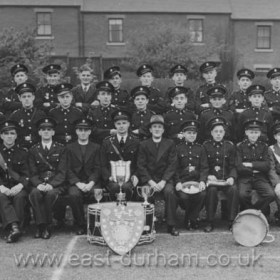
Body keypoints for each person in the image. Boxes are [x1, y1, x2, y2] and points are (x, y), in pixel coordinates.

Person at [137, 115, 179, 236]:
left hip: (164, 179)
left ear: (163, 130)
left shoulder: (170, 143)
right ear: (150, 130)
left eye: (159, 127)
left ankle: (171, 225)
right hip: (149, 179)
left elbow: (172, 164)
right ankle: (148, 224)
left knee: (170, 193)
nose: (157, 129)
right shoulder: (143, 144)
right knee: (146, 192)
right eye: (154, 127)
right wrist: (150, 182)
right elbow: (141, 166)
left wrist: (163, 181)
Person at [29, 118, 67, 239]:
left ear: (53, 132)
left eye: (49, 130)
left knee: (50, 194)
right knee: (35, 193)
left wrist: (52, 184)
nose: (46, 132)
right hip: (39, 183)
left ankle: (48, 226)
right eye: (43, 130)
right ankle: (41, 225)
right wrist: (38, 184)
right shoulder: (33, 150)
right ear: (39, 132)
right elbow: (32, 172)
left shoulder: (61, 149)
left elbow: (62, 172)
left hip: (56, 184)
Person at [203, 117, 239, 232]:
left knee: (233, 189)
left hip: (226, 179)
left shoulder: (230, 146)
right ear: (211, 133)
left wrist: (232, 177)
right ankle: (210, 221)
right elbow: (203, 165)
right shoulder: (205, 145)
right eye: (216, 131)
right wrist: (208, 175)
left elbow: (233, 165)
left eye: (221, 131)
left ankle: (231, 221)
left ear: (224, 132)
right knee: (212, 191)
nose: (218, 134)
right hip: (212, 180)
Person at [66, 118, 101, 235]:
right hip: (77, 182)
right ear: (76, 131)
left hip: (92, 181)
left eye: (86, 130)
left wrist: (91, 182)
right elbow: (67, 168)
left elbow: (98, 168)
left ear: (90, 132)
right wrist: (77, 183)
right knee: (74, 194)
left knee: (96, 192)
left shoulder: (96, 147)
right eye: (80, 130)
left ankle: (95, 224)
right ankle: (80, 224)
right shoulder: (69, 148)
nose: (83, 132)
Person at [236, 119, 275, 216]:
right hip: (245, 178)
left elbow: (266, 166)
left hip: (260, 177)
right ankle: (251, 213)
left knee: (270, 194)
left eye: (256, 132)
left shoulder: (264, 147)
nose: (253, 135)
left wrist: (250, 164)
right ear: (246, 132)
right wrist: (257, 167)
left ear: (260, 133)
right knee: (242, 195)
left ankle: (251, 212)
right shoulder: (240, 146)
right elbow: (239, 167)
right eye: (251, 132)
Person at [0, 120, 29, 243]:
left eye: (12, 133)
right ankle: (15, 228)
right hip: (3, 187)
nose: (9, 136)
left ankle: (15, 228)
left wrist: (20, 185)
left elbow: (27, 174)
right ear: (1, 136)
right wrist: (1, 187)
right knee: (1, 197)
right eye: (6, 133)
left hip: (18, 187)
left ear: (16, 136)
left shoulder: (23, 153)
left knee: (20, 197)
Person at [175, 120, 208, 230]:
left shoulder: (201, 148)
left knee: (202, 195)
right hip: (183, 181)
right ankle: (191, 218)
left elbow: (204, 167)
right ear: (183, 134)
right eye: (189, 133)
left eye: (194, 133)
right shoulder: (178, 148)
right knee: (184, 197)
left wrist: (203, 180)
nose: (191, 135)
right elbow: (174, 168)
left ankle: (191, 219)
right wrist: (178, 182)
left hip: (197, 181)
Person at [100, 110, 140, 200]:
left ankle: (128, 211)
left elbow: (139, 163)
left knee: (126, 188)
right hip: (112, 177)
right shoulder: (107, 142)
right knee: (115, 187)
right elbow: (102, 164)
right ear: (115, 125)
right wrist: (108, 177)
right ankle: (114, 212)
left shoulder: (136, 142)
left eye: (124, 123)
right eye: (118, 124)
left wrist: (136, 175)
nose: (121, 126)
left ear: (128, 124)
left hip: (129, 177)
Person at [9, 82, 46, 149]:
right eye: (24, 96)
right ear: (20, 98)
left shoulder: (41, 114)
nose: (26, 99)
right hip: (21, 150)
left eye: (29, 96)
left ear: (33, 97)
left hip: (37, 150)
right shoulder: (15, 116)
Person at [268, 121, 280, 224]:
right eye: (279, 135)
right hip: (277, 177)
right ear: (275, 136)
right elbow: (271, 169)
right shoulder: (271, 149)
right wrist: (277, 183)